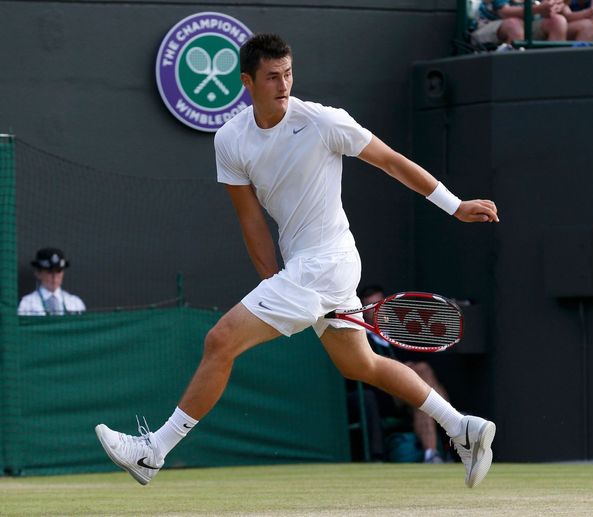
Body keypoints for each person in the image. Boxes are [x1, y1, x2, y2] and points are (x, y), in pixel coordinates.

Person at [94, 33, 500, 489]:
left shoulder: (325, 122)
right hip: (303, 269)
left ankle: (154, 451)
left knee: (220, 340)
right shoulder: (230, 139)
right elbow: (251, 222)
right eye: (272, 77)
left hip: (330, 261)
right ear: (248, 82)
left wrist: (456, 205)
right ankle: (461, 426)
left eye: (288, 73)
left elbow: (391, 161)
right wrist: (274, 283)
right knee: (360, 366)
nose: (283, 84)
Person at [358, 285, 454, 464]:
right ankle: (454, 424)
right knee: (422, 377)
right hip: (386, 394)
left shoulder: (401, 334)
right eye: (371, 307)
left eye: (380, 304)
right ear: (364, 312)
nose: (376, 311)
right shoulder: (362, 340)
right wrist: (402, 369)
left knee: (423, 392)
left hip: (412, 391)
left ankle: (431, 454)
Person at [469, 0, 568, 48]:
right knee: (514, 25)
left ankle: (552, 74)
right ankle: (514, 77)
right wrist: (538, 9)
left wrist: (554, 6)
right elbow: (504, 12)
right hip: (487, 26)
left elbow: (549, 6)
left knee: (558, 21)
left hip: (526, 27)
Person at [17, 247, 86, 316]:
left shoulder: (75, 303)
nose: (54, 277)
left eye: (58, 271)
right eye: (49, 272)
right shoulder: (27, 304)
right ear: (38, 273)